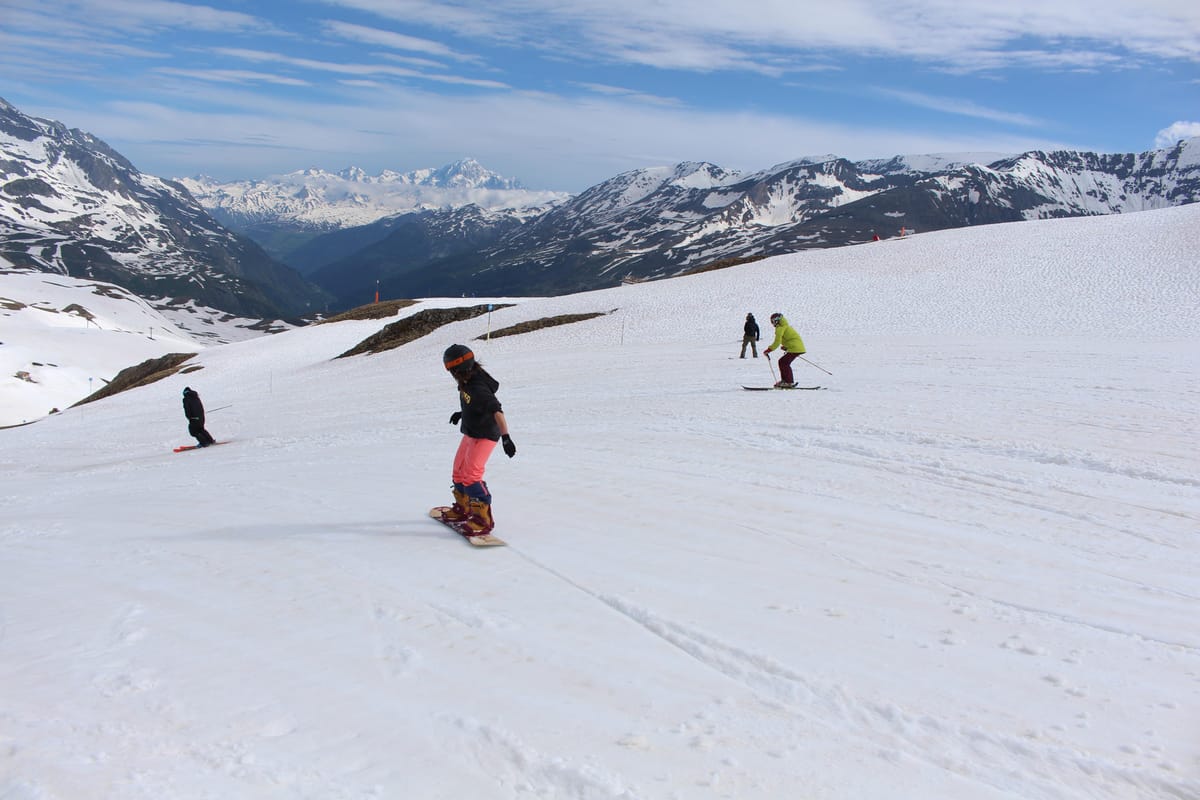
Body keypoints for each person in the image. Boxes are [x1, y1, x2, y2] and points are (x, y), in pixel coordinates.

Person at [438, 344, 516, 536]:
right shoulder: (468, 378)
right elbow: (471, 401)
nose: (451, 374)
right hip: (471, 431)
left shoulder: (478, 386)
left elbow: (496, 410)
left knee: (471, 475)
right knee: (458, 470)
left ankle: (483, 518)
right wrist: (462, 413)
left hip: (485, 435)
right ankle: (463, 508)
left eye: (451, 369)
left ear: (458, 368)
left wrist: (506, 437)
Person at [762, 312, 807, 388]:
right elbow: (790, 338)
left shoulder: (781, 328)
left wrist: (769, 349)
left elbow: (777, 341)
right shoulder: (784, 326)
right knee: (783, 362)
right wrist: (786, 347)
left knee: (784, 363)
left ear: (777, 320)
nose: (772, 323)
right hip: (796, 347)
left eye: (773, 321)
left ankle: (788, 382)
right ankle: (785, 381)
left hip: (795, 348)